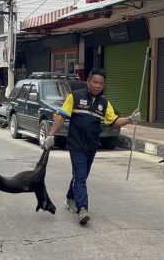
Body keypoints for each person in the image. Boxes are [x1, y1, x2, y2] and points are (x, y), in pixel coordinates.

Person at [44, 68, 140, 224]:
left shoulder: (104, 103)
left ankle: (70, 198)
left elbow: (114, 123)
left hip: (91, 146)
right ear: (88, 81)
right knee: (81, 177)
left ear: (104, 85)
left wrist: (130, 118)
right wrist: (51, 134)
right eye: (94, 82)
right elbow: (62, 117)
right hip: (76, 145)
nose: (97, 85)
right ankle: (83, 209)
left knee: (80, 175)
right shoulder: (74, 97)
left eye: (101, 83)